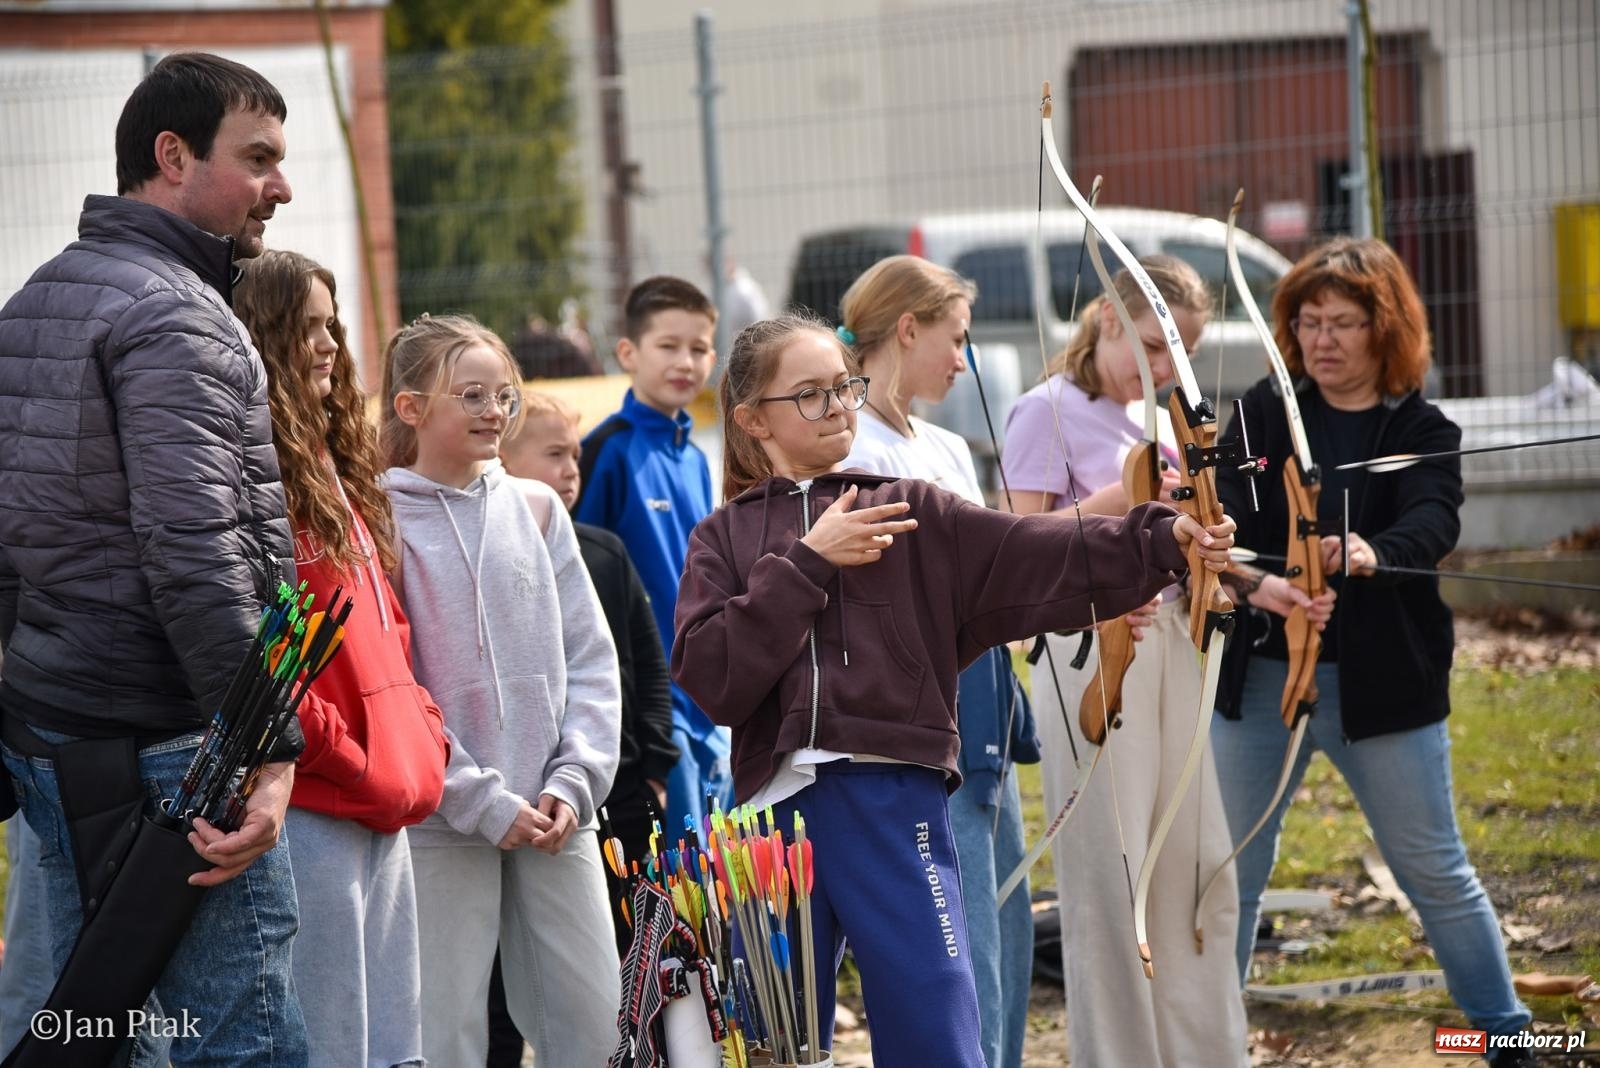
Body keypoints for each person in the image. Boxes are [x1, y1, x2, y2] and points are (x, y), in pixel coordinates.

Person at [672, 314, 1236, 1066]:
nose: (838, 406)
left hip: (891, 799)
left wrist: (1161, 540)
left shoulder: (911, 506)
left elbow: (1037, 552)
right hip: (770, 826)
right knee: (767, 1041)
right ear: (751, 420)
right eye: (809, 395)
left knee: (933, 1023)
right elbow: (711, 676)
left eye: (844, 387)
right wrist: (811, 561)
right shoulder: (723, 538)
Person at [0, 52, 307, 1064]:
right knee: (240, 1038)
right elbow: (197, 551)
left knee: (92, 1030)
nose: (282, 187)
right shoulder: (177, 313)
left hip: (56, 732)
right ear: (171, 156)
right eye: (258, 158)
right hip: (177, 750)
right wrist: (266, 750)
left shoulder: (39, 298)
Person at [1212, 236, 1534, 1067]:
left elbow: (1432, 520)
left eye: (1344, 323)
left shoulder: (1422, 426)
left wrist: (1364, 551)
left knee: (1433, 868)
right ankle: (1212, 1041)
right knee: (1231, 872)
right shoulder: (1261, 414)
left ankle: (1505, 1036)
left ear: (1383, 329)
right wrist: (1269, 563)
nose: (1322, 340)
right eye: (1308, 321)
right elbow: (1234, 503)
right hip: (1262, 676)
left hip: (1381, 683)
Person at [1001, 255, 1250, 1067]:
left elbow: (1181, 536)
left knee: (1194, 865)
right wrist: (1135, 502)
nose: (1171, 363)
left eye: (1185, 346)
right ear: (1106, 319)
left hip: (1175, 641)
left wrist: (1256, 581)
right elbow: (1017, 545)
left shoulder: (1160, 414)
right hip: (1093, 655)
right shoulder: (1047, 410)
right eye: (1154, 341)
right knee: (1116, 879)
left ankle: (1205, 1051)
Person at [380, 313, 622, 1066]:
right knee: (442, 1034)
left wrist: (575, 780)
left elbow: (590, 659)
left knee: (594, 1024)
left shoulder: (540, 508)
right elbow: (390, 688)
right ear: (411, 407)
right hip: (441, 822)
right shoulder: (378, 521)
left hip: (558, 818)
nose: (495, 412)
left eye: (505, 396)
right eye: (473, 395)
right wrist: (476, 798)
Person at [235, 250, 450, 1068]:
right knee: (334, 1044)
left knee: (395, 1046)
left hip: (384, 797)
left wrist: (419, 730)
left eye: (333, 325)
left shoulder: (334, 468)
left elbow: (386, 632)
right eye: (308, 327)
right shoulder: (255, 475)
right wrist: (348, 752)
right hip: (316, 806)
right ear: (264, 333)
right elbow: (264, 644)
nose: (327, 345)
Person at [835, 255, 1039, 1068]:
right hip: (921, 717)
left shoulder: (949, 445)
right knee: (962, 937)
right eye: (955, 339)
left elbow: (992, 568)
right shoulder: (853, 445)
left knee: (1007, 919)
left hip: (984, 703)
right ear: (908, 328)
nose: (965, 360)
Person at [501, 389, 678, 940]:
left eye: (576, 456)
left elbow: (648, 668)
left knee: (642, 946)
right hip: (522, 799)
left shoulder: (604, 551)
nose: (572, 471)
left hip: (619, 785)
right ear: (503, 460)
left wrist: (654, 767)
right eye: (555, 455)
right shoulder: (490, 556)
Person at [573, 276, 729, 840]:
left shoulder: (697, 456)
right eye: (668, 346)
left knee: (721, 875)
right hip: (652, 707)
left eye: (698, 347)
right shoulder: (606, 450)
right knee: (678, 880)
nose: (684, 361)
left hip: (707, 697)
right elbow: (586, 581)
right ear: (628, 353)